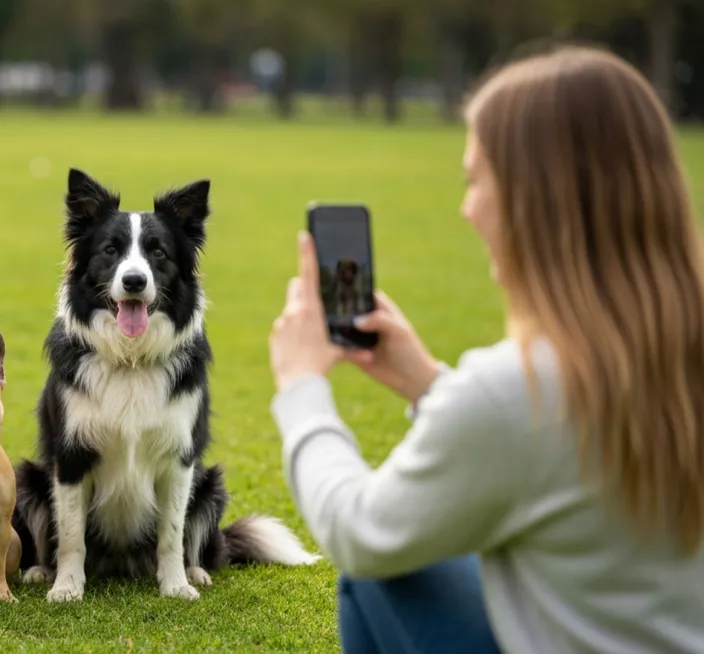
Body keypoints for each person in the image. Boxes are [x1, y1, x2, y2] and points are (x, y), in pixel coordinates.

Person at [268, 44, 704, 654]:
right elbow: (557, 449)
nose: (466, 209)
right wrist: (428, 382)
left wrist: (302, 389)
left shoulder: (517, 391)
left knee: (380, 575)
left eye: (476, 179)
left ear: (536, 200)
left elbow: (361, 534)